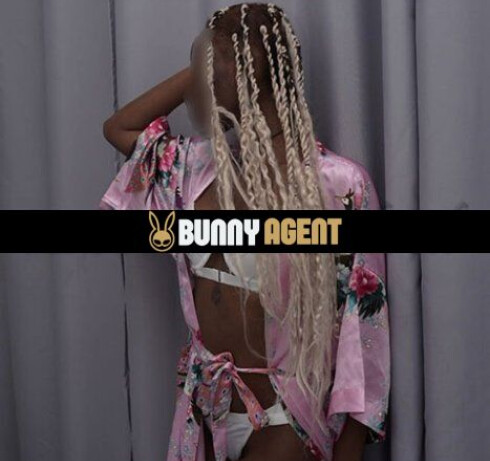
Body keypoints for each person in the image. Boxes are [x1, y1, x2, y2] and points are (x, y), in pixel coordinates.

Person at [99, 3, 390, 461]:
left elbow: (363, 329)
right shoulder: (193, 170)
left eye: (204, 71)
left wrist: (349, 450)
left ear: (240, 78)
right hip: (204, 414)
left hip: (285, 420)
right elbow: (120, 127)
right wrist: (205, 63)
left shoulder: (337, 187)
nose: (193, 87)